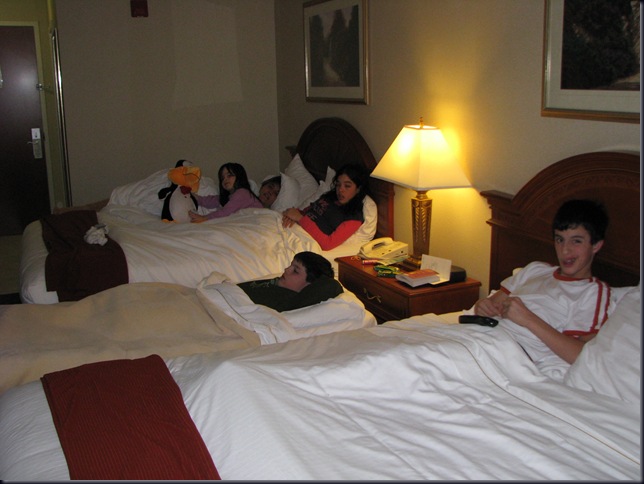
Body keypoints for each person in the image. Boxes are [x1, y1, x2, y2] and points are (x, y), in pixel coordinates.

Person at [473, 199, 612, 374]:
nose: (565, 250)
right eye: (559, 239)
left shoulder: (592, 292)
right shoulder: (535, 270)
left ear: (596, 245)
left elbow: (581, 356)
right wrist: (482, 306)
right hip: (477, 336)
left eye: (576, 241)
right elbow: (490, 304)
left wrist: (527, 318)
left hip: (504, 351)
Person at [281, 164, 369, 250]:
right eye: (338, 184)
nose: (340, 190)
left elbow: (327, 244)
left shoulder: (353, 217)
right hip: (294, 227)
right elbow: (306, 212)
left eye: (347, 186)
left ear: (358, 189)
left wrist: (300, 219)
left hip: (304, 238)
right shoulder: (330, 197)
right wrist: (292, 215)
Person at [238, 251, 343, 312]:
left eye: (295, 271)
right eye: (290, 265)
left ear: (309, 286)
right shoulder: (277, 283)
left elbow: (331, 286)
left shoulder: (289, 301)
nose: (286, 270)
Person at [189, 163, 262, 222]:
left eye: (229, 175)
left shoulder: (242, 193)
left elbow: (225, 212)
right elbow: (212, 200)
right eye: (222, 178)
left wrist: (204, 218)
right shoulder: (230, 196)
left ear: (239, 176)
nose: (225, 179)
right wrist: (194, 196)